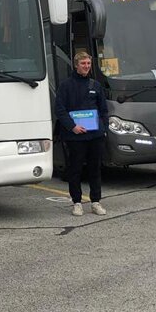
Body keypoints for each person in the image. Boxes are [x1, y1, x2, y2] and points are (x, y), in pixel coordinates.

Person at [55, 50, 110, 216]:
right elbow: (60, 110)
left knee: (95, 169)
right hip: (75, 136)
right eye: (83, 63)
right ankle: (77, 202)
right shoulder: (66, 86)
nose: (86, 66)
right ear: (76, 65)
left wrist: (103, 128)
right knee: (75, 170)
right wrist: (72, 127)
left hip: (95, 136)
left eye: (88, 63)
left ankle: (96, 202)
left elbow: (103, 110)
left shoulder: (96, 85)